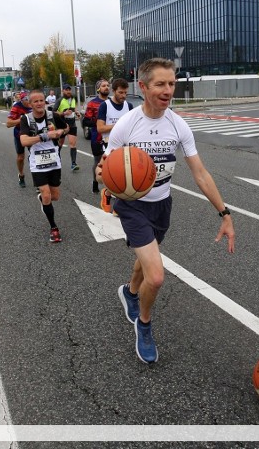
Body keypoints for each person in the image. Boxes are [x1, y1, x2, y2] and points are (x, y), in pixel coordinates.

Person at [97, 58, 236, 364]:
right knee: (157, 276)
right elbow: (105, 167)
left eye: (172, 83)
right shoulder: (127, 125)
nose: (168, 90)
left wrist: (224, 213)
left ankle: (130, 293)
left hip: (162, 204)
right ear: (143, 87)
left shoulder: (178, 124)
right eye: (160, 84)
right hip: (132, 206)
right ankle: (144, 325)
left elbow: (200, 172)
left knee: (146, 262)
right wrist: (104, 179)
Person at [20, 89, 69, 243]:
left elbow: (66, 128)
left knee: (55, 196)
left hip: (54, 161)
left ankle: (42, 198)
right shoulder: (26, 119)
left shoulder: (53, 116)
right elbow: (24, 141)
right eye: (36, 101)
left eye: (41, 100)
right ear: (30, 104)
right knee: (47, 194)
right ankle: (54, 228)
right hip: (37, 163)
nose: (40, 103)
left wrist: (60, 132)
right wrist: (46, 135)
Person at [97, 78, 134, 213]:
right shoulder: (105, 106)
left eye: (125, 93)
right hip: (109, 145)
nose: (123, 96)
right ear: (113, 91)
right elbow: (100, 128)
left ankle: (117, 202)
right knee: (114, 175)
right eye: (120, 92)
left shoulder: (128, 106)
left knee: (126, 176)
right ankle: (107, 193)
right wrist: (118, 126)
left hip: (125, 146)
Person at [82, 79, 111, 193]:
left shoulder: (112, 103)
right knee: (98, 161)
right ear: (98, 89)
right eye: (103, 86)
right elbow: (86, 122)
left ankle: (112, 186)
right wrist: (100, 122)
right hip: (97, 137)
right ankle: (95, 183)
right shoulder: (92, 103)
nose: (106, 87)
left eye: (108, 85)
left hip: (112, 137)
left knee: (113, 162)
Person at [6, 92, 32, 187]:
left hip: (32, 135)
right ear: (21, 100)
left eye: (29, 99)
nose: (29, 101)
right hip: (19, 134)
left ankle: (38, 181)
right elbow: (8, 123)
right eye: (26, 99)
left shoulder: (34, 105)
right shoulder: (16, 107)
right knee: (21, 157)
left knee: (35, 156)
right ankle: (21, 175)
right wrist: (21, 119)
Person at [53, 84, 80, 171]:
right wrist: (63, 113)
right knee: (60, 143)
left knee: (72, 143)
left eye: (69, 90)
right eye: (66, 90)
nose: (68, 91)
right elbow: (53, 112)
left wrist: (76, 112)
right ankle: (56, 159)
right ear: (63, 91)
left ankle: (73, 163)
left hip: (72, 123)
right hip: (62, 123)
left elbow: (73, 108)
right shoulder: (59, 100)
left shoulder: (73, 98)